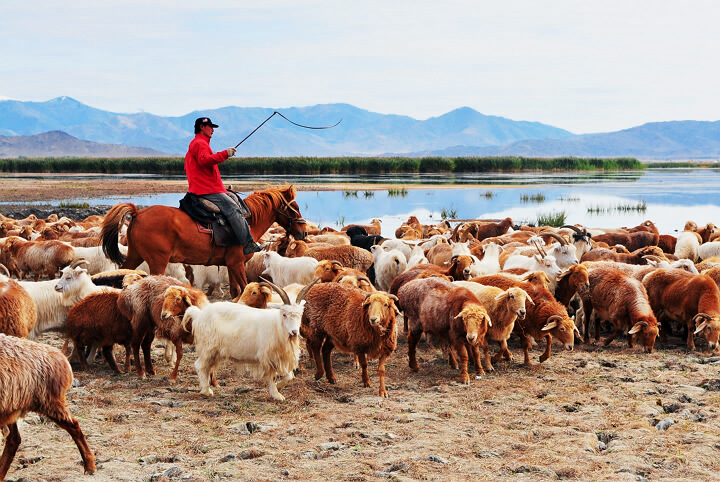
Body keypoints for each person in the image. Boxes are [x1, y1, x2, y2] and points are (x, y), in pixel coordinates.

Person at [184, 117, 263, 254]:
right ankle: (247, 243)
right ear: (202, 127)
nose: (213, 130)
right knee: (233, 209)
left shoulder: (198, 143)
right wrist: (225, 154)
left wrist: (221, 187)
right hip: (206, 190)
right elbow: (205, 161)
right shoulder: (200, 143)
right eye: (210, 126)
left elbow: (204, 171)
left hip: (207, 187)